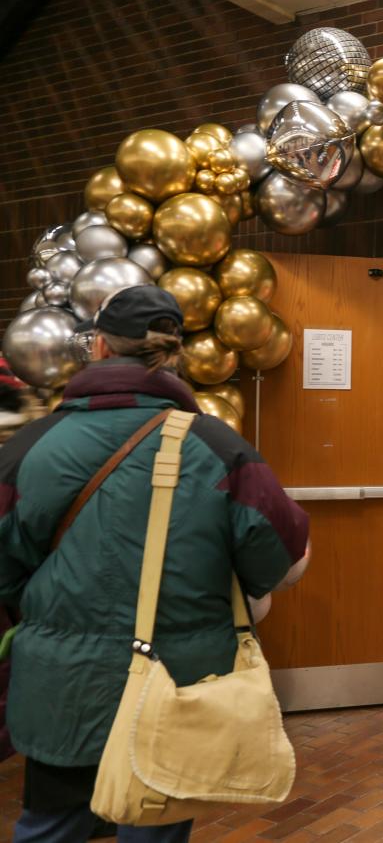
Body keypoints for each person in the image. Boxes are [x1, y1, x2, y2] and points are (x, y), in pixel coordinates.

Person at [0, 285, 311, 843]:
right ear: (174, 354)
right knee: (156, 827)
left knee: (50, 825)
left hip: (61, 686)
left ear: (97, 348)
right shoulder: (219, 446)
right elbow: (279, 558)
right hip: (179, 681)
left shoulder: (33, 446)